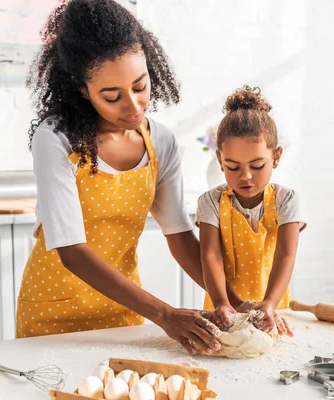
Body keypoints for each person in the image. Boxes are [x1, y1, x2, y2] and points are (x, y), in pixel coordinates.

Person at [16, 0, 221, 356]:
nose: (134, 106)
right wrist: (165, 314)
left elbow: (180, 236)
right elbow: (72, 251)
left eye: (141, 86)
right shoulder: (56, 139)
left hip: (125, 311)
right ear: (82, 89)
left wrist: (228, 301)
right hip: (52, 315)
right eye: (112, 96)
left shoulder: (161, 142)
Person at [196, 85, 307, 334]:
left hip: (274, 310)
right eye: (233, 166)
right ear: (219, 160)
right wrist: (221, 303)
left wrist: (269, 303)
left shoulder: (286, 200)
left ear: (276, 157)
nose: (245, 176)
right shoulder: (210, 202)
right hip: (225, 313)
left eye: (257, 165)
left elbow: (285, 255)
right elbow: (210, 256)